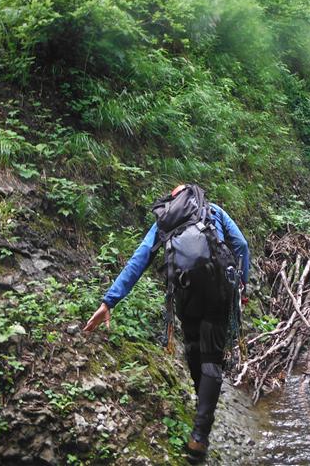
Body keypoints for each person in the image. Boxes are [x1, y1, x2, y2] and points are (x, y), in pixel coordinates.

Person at [84, 184, 250, 465]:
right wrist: (242, 286)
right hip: (218, 289)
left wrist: (109, 301)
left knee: (195, 349)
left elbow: (139, 259)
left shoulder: (164, 222)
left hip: (184, 293)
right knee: (212, 358)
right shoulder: (213, 212)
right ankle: (199, 434)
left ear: (173, 201)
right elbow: (241, 245)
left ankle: (202, 408)